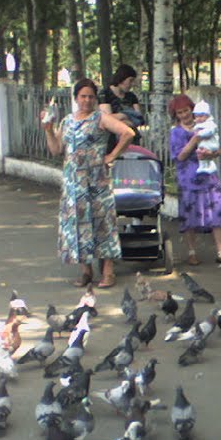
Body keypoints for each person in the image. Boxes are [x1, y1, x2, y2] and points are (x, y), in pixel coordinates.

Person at [43, 78, 135, 288]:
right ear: (76, 98)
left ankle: (108, 272)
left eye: (91, 96)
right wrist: (48, 129)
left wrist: (112, 155)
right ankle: (86, 271)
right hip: (73, 184)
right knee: (78, 225)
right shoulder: (67, 121)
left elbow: (128, 133)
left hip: (96, 182)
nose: (87, 100)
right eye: (83, 96)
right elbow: (56, 149)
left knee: (102, 224)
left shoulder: (100, 118)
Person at [168, 94, 221, 267]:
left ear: (192, 109)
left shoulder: (206, 125)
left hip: (208, 175)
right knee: (190, 215)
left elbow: (218, 150)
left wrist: (210, 154)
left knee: (217, 211)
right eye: (179, 113)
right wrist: (194, 140)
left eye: (186, 111)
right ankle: (191, 252)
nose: (184, 115)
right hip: (188, 177)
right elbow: (179, 156)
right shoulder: (176, 132)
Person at [98, 64, 143, 149]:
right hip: (112, 142)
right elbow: (108, 120)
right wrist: (125, 115)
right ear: (122, 78)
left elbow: (139, 119)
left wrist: (118, 118)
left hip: (132, 140)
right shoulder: (105, 95)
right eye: (130, 80)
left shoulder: (131, 96)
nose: (132, 84)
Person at [192, 101, 220, 176]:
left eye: (201, 116)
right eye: (196, 116)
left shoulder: (210, 124)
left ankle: (211, 166)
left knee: (203, 153)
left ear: (207, 116)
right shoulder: (198, 124)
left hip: (211, 144)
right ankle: (203, 166)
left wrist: (200, 134)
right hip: (204, 144)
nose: (198, 118)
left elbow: (210, 131)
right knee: (200, 153)